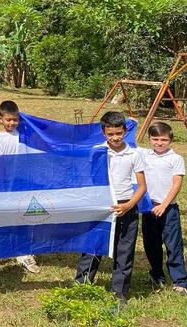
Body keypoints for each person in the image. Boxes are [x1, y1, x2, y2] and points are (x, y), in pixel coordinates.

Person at [75, 111, 147, 303]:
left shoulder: (134, 154)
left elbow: (142, 187)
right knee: (93, 246)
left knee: (124, 250)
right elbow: (91, 180)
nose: (115, 138)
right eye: (110, 134)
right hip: (102, 207)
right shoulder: (97, 151)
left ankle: (120, 292)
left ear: (125, 130)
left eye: (119, 133)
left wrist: (129, 205)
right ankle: (81, 286)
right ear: (103, 133)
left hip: (127, 207)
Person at [0, 100, 39, 273]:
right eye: (8, 119)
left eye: (15, 120)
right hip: (2, 187)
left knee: (21, 218)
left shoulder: (24, 137)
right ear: (0, 118)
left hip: (21, 186)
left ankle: (23, 253)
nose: (11, 123)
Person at [140, 121, 187, 295]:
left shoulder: (175, 159)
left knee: (173, 245)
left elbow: (176, 185)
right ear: (149, 139)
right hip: (149, 208)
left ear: (171, 140)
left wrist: (164, 205)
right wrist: (130, 125)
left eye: (163, 139)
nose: (159, 143)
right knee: (151, 244)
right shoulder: (144, 155)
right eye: (155, 139)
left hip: (168, 208)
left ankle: (180, 281)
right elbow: (126, 146)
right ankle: (156, 275)